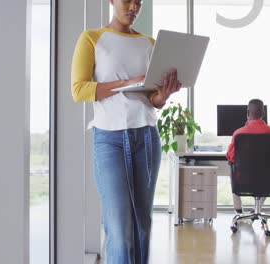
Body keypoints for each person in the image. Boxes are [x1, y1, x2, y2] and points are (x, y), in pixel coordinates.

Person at [71, 0, 182, 263]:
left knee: (142, 225)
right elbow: (79, 90)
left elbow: (151, 100)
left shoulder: (150, 44)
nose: (133, 6)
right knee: (120, 229)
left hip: (146, 136)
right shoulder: (92, 38)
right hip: (109, 140)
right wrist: (128, 82)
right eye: (128, 0)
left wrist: (163, 96)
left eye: (139, 2)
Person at [226, 99, 270, 214]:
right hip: (269, 182)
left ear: (247, 113)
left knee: (232, 173)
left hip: (243, 181)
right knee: (267, 178)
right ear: (263, 114)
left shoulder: (238, 134)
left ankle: (238, 210)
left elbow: (230, 158)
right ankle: (257, 209)